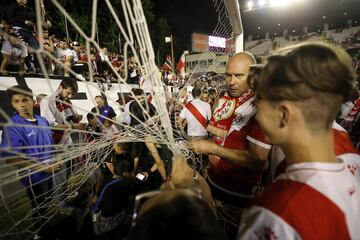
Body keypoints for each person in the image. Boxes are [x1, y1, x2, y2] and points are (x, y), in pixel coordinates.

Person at [238, 42, 360, 239]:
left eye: (258, 100)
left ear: (283, 115)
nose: (255, 111)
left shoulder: (275, 212)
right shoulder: (354, 162)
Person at [188, 52, 271, 238]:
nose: (231, 81)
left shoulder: (262, 106)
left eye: (239, 76)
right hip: (212, 183)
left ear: (253, 76)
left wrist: (212, 148)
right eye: (228, 75)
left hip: (238, 198)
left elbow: (258, 161)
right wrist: (202, 144)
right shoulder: (223, 99)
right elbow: (219, 140)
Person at [1, 85, 60, 238]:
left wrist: (56, 158)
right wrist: (43, 168)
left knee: (48, 203)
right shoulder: (13, 126)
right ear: (13, 104)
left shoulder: (43, 121)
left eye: (25, 100)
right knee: (39, 207)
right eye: (16, 101)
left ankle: (47, 229)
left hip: (50, 171)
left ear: (32, 101)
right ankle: (40, 234)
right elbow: (11, 157)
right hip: (34, 177)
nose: (21, 104)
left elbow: (50, 144)